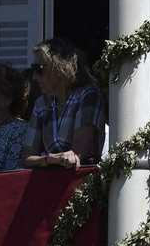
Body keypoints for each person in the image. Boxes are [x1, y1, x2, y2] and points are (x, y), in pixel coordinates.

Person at [24, 38, 105, 169]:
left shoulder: (88, 95)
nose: (34, 77)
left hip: (81, 182)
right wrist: (48, 159)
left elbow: (75, 156)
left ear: (59, 68)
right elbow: (27, 158)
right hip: (49, 180)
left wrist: (48, 159)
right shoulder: (42, 103)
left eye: (38, 69)